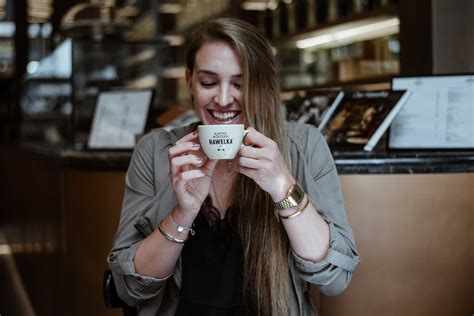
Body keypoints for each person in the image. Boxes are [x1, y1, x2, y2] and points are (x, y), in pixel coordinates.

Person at [108, 17, 360, 316]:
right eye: (208, 82)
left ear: (262, 86)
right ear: (189, 81)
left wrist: (282, 186)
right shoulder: (156, 151)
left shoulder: (303, 146)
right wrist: (183, 212)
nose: (224, 99)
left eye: (240, 84)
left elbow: (334, 278)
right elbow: (130, 289)